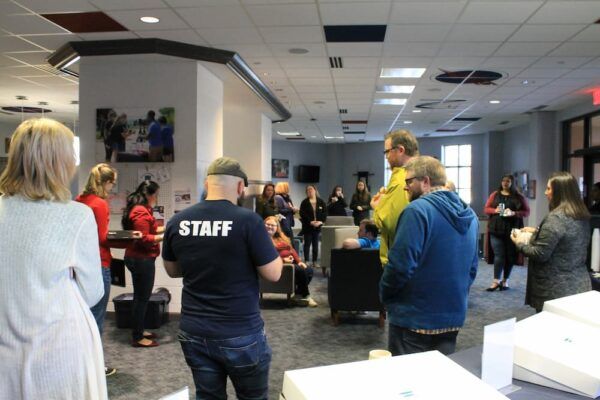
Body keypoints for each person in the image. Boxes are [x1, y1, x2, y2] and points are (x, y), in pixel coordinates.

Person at [0, 118, 107, 399]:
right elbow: (92, 292)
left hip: (6, 348)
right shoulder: (75, 215)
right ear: (59, 161)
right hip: (60, 347)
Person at [161, 156, 282, 400]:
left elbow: (173, 270)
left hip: (194, 330)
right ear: (240, 187)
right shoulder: (249, 221)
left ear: (207, 184)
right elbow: (274, 273)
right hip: (240, 331)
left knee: (208, 396)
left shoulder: (178, 221)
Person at [380, 156, 478, 356]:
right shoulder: (471, 215)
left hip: (413, 317)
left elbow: (400, 267)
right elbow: (472, 269)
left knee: (406, 375)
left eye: (409, 181)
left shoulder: (416, 211)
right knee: (438, 374)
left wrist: (384, 294)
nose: (405, 187)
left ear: (425, 182)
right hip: (452, 316)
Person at [76, 163, 141, 376]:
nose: (112, 188)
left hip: (79, 266)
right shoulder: (100, 204)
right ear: (105, 182)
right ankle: (94, 367)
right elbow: (103, 238)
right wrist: (129, 239)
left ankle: (80, 364)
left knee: (81, 318)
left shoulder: (78, 200)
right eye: (112, 183)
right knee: (97, 318)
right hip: (99, 264)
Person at [512, 172, 591, 313]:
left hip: (555, 289)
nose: (545, 192)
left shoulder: (556, 218)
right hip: (578, 284)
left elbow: (540, 254)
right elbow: (566, 240)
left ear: (560, 192)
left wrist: (519, 243)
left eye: (548, 188)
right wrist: (536, 232)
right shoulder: (580, 214)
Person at [122, 180, 165, 347]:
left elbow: (151, 230)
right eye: (156, 195)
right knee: (142, 299)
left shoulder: (142, 209)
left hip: (139, 258)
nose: (156, 198)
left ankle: (139, 329)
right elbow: (143, 238)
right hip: (141, 259)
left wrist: (169, 227)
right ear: (148, 194)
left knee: (140, 297)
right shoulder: (140, 211)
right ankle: (138, 337)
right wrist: (165, 236)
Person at [371, 129, 419, 266]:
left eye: (387, 151)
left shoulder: (400, 179)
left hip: (399, 260)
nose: (386, 157)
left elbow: (393, 225)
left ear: (400, 150)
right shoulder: (418, 172)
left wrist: (377, 207)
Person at [484, 174, 530, 291]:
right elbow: (486, 209)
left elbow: (526, 212)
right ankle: (496, 281)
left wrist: (514, 213)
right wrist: (495, 210)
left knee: (510, 256)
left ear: (512, 183)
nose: (505, 183)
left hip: (512, 230)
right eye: (503, 181)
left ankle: (505, 280)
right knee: (499, 255)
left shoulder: (518, 197)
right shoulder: (495, 195)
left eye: (508, 181)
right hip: (496, 229)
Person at [265, 216, 317, 307]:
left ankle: (298, 294)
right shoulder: (262, 239)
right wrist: (283, 260)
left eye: (272, 225)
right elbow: (266, 256)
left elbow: (291, 250)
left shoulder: (281, 237)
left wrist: (299, 261)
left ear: (277, 227)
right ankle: (306, 296)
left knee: (309, 270)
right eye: (267, 224)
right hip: (277, 265)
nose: (270, 227)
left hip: (290, 262)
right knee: (300, 270)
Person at [299, 185, 327, 269]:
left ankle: (315, 261)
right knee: (307, 244)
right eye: (308, 190)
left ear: (315, 190)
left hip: (317, 226)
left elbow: (325, 213)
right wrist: (310, 222)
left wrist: (320, 221)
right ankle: (307, 260)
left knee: (316, 244)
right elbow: (302, 214)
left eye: (311, 189)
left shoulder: (321, 201)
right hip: (308, 226)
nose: (309, 191)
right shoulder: (304, 202)